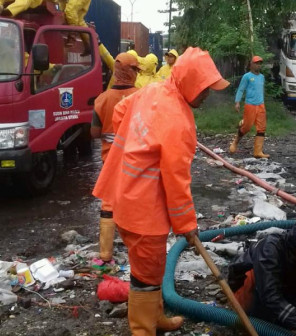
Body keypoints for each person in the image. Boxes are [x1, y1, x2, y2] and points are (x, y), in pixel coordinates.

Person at [92, 47, 230, 335]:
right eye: (204, 89)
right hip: (144, 209)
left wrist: (136, 141)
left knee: (150, 268)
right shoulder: (179, 121)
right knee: (146, 274)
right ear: (190, 82)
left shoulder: (153, 90)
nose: (207, 95)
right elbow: (177, 182)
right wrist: (187, 226)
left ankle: (155, 317)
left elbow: (120, 112)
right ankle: (143, 329)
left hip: (124, 195)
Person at [228, 213, 296, 336]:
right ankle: (251, 322)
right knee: (254, 276)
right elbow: (268, 294)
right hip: (251, 290)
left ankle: (278, 321)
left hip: (279, 289)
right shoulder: (270, 248)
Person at [90, 52, 140, 263]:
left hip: (109, 160)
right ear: (130, 72)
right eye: (136, 69)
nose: (137, 74)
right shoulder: (141, 96)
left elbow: (94, 133)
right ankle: (136, 250)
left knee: (109, 203)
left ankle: (105, 253)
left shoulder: (102, 99)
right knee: (136, 201)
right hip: (136, 161)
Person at [229, 55, 269, 158]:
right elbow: (241, 89)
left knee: (261, 128)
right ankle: (235, 142)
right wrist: (237, 102)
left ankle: (258, 151)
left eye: (260, 63)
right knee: (246, 127)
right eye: (256, 63)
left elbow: (261, 90)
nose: (258, 65)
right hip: (250, 105)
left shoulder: (262, 77)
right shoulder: (247, 76)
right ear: (251, 64)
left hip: (260, 105)